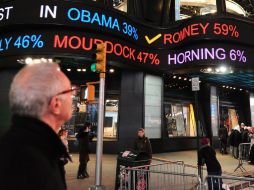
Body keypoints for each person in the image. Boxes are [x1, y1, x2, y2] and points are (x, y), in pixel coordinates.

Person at [0, 62, 73, 190]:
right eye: (70, 91)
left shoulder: (14, 144)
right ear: (56, 104)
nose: (72, 97)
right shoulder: (34, 165)